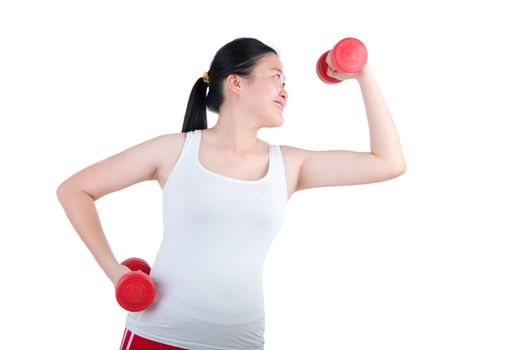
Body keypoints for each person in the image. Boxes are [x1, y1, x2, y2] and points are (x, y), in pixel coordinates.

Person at [56, 37, 406, 350]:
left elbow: (388, 163)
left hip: (241, 342)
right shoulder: (174, 151)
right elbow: (75, 190)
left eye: (286, 82)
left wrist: (362, 74)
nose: (285, 91)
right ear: (236, 82)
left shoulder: (289, 165)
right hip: (160, 337)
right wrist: (116, 273)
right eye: (275, 77)